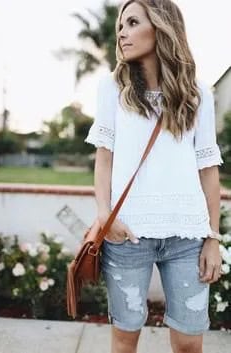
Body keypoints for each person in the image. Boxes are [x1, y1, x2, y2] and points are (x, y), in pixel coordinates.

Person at [85, 1, 223, 352]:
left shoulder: (198, 95)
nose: (121, 32)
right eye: (121, 24)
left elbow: (208, 170)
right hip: (126, 235)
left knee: (190, 344)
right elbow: (104, 159)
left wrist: (212, 238)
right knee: (125, 340)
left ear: (160, 27)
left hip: (187, 239)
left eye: (132, 22)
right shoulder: (112, 89)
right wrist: (104, 214)